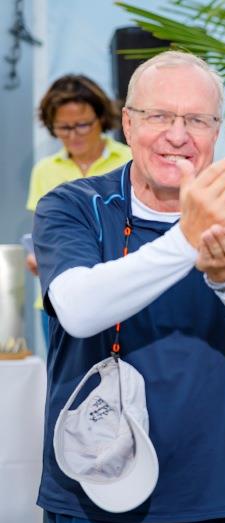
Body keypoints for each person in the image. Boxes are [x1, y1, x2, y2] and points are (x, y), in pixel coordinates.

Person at [33, 51, 225, 523]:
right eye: (160, 116)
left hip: (216, 494)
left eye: (196, 119)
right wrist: (186, 241)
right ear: (128, 124)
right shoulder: (75, 204)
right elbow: (76, 309)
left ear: (215, 131)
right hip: (94, 485)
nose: (178, 135)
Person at [25, 74, 132, 344]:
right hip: (57, 299)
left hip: (119, 294)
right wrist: (37, 255)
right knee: (69, 384)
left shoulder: (130, 161)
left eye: (82, 125)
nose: (73, 135)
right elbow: (40, 233)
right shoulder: (44, 170)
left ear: (101, 118)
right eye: (64, 127)